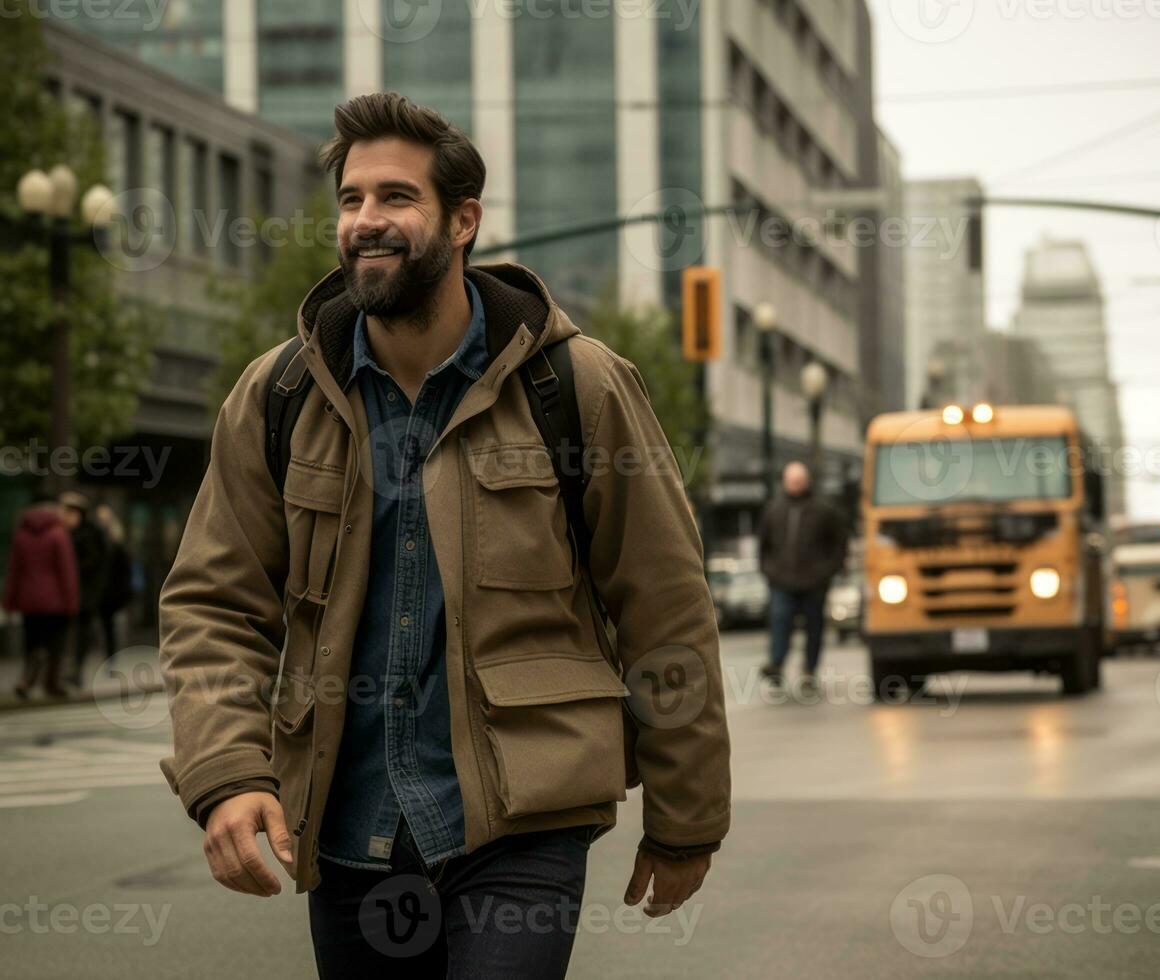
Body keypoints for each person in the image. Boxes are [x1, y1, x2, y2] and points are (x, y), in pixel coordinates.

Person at [158, 92, 730, 979]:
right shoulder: (278, 397)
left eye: (396, 198)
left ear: (462, 221)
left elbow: (663, 605)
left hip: (520, 827)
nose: (366, 221)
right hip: (346, 833)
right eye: (351, 200)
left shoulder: (574, 384)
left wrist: (686, 816)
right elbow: (212, 601)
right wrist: (228, 772)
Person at [758, 461, 849, 697]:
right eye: (791, 481)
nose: (795, 485)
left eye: (799, 481)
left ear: (806, 481)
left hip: (814, 581)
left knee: (814, 627)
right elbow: (763, 546)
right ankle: (776, 664)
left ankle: (810, 670)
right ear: (785, 482)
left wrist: (827, 571)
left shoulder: (824, 510)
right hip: (782, 580)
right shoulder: (774, 510)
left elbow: (838, 545)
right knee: (780, 620)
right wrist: (769, 571)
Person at [3, 492, 79, 698]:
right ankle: (50, 683)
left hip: (28, 600)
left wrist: (9, 602)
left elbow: (14, 571)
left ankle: (26, 680)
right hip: (56, 602)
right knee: (55, 644)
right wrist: (72, 601)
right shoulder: (58, 534)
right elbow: (67, 571)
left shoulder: (21, 535)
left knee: (33, 642)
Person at [58, 491, 107, 688]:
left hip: (85, 594)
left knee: (80, 635)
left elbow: (95, 563)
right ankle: (64, 672)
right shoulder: (62, 533)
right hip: (64, 594)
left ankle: (75, 671)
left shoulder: (90, 534)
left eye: (71, 513)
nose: (67, 517)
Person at [95, 504, 134, 660]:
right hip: (100, 591)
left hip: (111, 592)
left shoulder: (117, 545)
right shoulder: (97, 539)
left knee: (109, 626)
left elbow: (124, 571)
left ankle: (110, 656)